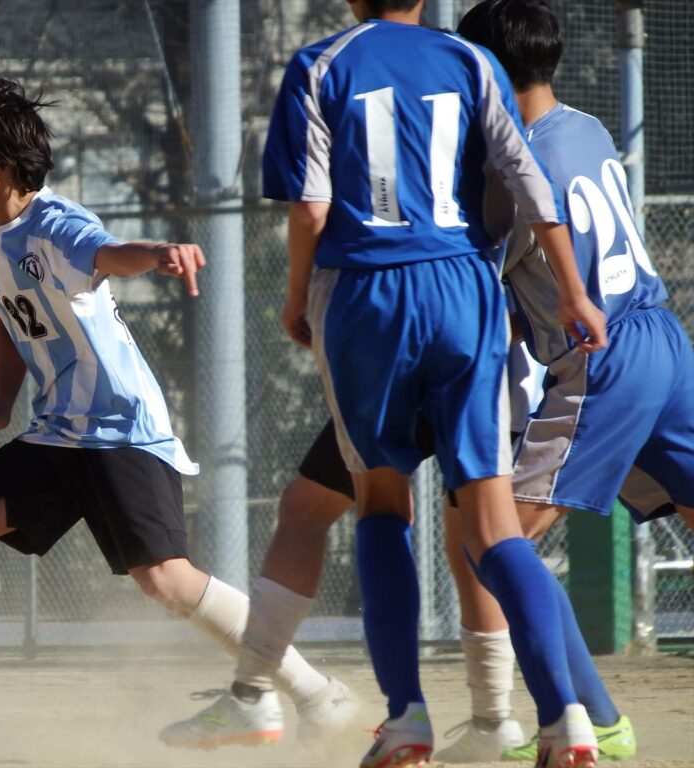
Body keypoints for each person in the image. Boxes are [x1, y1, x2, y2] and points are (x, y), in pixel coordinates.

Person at [162, 2, 612, 767]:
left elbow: (311, 206)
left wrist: (297, 296)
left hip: (367, 294)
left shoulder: (320, 64)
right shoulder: (471, 62)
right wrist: (573, 291)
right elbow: (530, 184)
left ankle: (406, 716)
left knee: (379, 505)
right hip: (464, 291)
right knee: (493, 527)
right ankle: (563, 717)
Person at [0, 77, 355, 752]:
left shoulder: (54, 226)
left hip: (119, 428)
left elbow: (109, 255)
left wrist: (160, 255)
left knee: (166, 580)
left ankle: (313, 693)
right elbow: (8, 320)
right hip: (59, 431)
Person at [438, 0, 694, 761]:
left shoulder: (511, 166)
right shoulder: (587, 127)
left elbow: (493, 290)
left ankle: (597, 719)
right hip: (663, 335)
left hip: (602, 356)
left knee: (496, 542)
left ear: (485, 71)